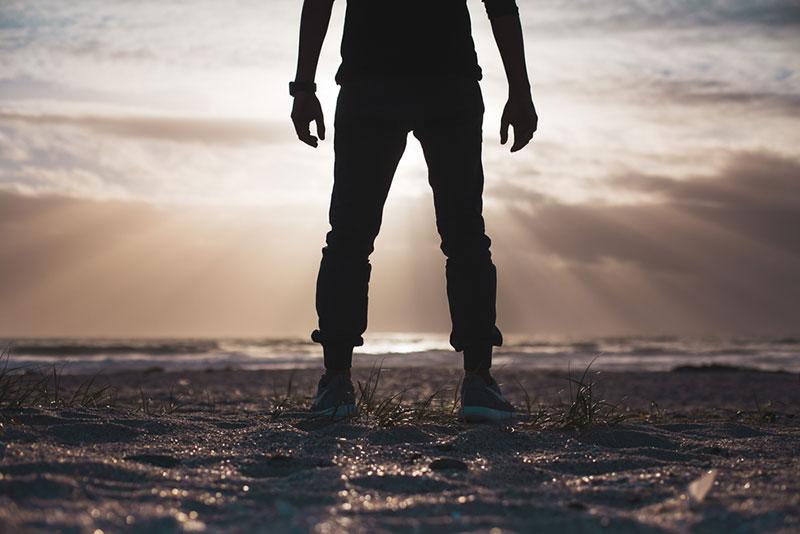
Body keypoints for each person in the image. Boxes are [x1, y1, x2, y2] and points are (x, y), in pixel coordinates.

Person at [290, 0, 538, 421]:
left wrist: (305, 88)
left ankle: (336, 382)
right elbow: (501, 6)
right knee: (462, 236)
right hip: (443, 84)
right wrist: (520, 90)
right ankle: (477, 380)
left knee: (351, 236)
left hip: (376, 86)